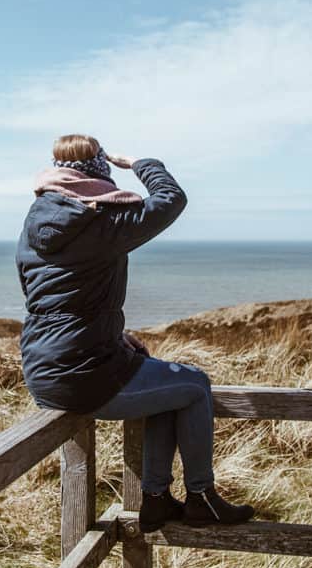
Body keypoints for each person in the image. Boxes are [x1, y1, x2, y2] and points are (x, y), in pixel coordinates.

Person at [15, 133, 255, 531]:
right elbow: (171, 199)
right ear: (100, 172)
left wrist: (113, 334)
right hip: (84, 375)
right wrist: (142, 163)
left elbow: (47, 297)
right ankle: (202, 497)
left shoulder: (35, 222)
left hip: (42, 372)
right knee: (195, 385)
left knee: (162, 387)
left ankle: (157, 500)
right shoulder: (101, 222)